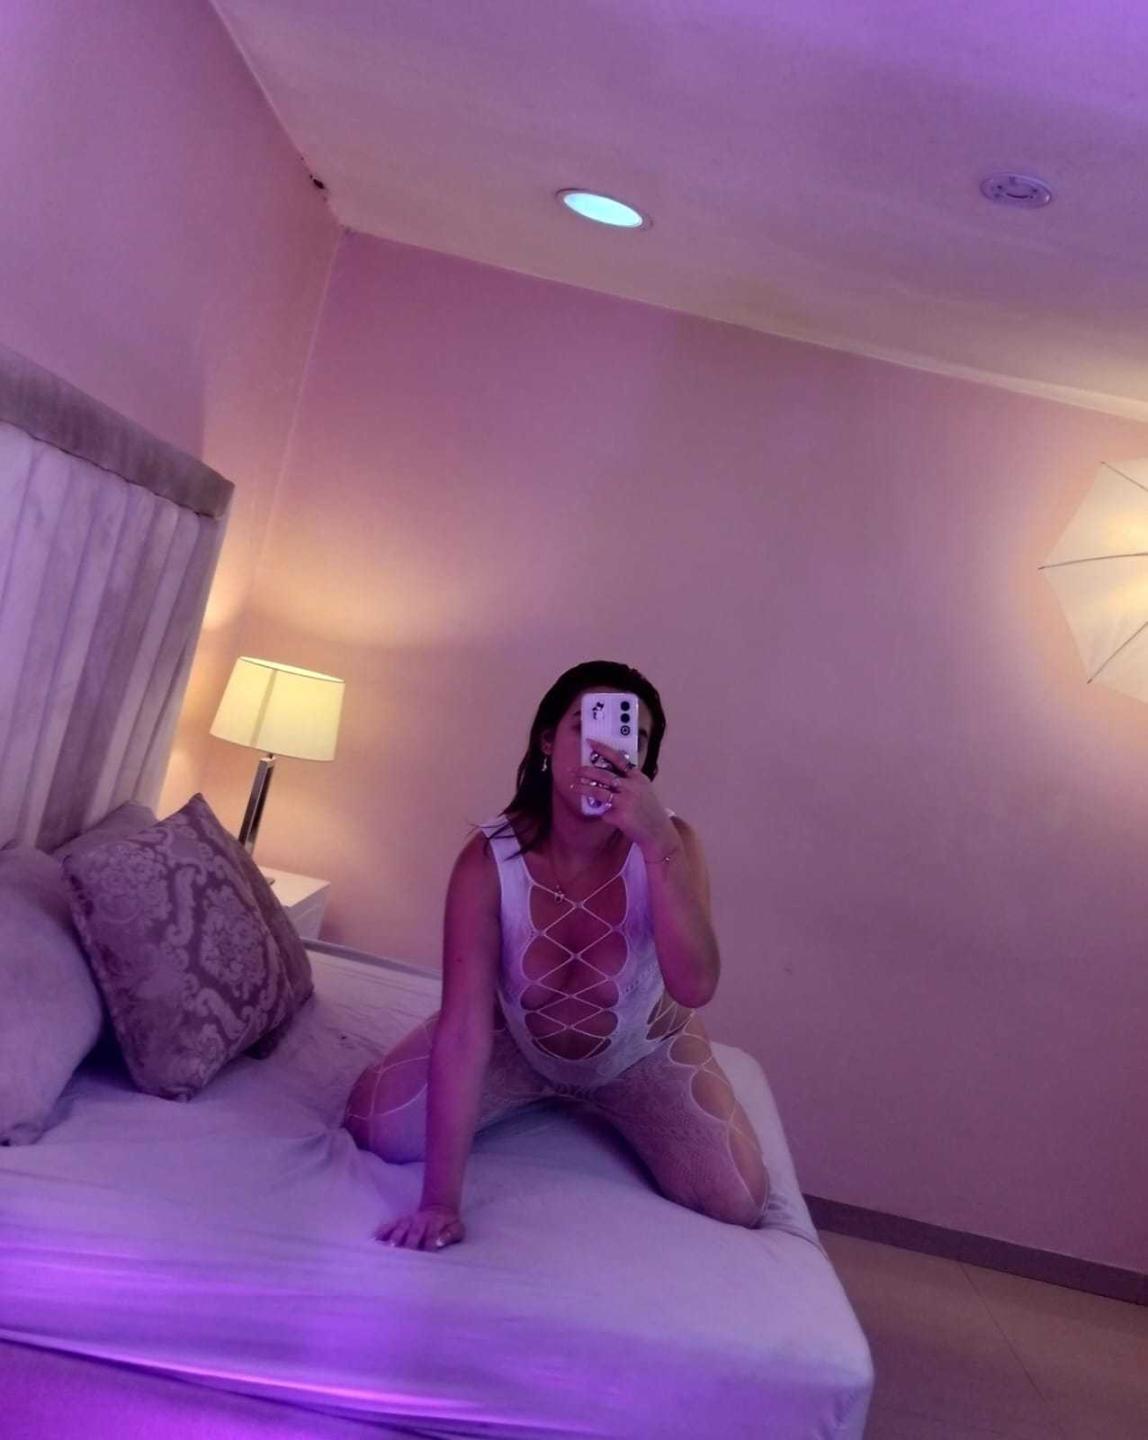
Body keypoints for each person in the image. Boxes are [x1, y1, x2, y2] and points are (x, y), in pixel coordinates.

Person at [343, 660, 770, 1250]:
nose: (605, 746)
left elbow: (695, 986)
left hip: (639, 1054)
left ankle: (622, 1091)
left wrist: (658, 844)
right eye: (585, 725)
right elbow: (464, 1027)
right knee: (371, 1126)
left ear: (645, 759)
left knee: (738, 1201)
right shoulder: (489, 860)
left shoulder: (673, 844)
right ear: (547, 740)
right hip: (522, 1043)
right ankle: (541, 1092)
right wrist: (440, 1203)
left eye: (631, 734)